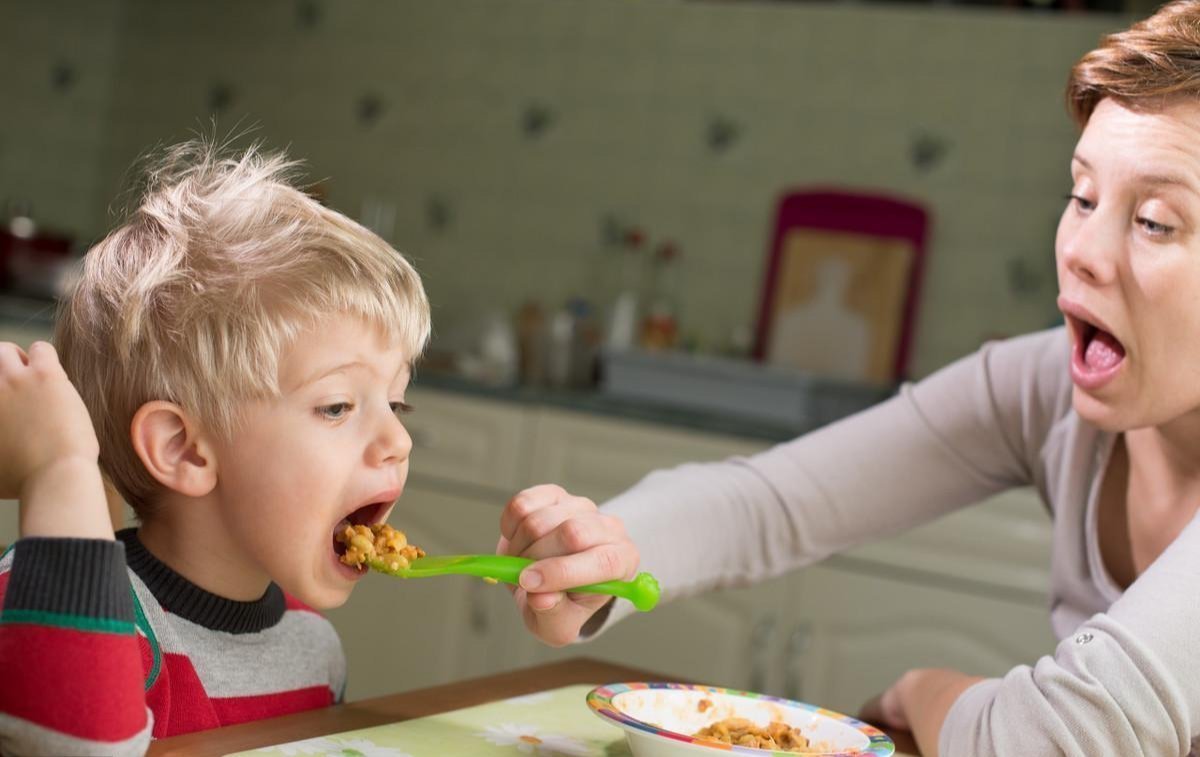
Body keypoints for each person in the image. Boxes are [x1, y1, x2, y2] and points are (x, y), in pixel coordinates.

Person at [498, 2, 1200, 754]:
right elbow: (771, 504)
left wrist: (923, 691)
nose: (1082, 251)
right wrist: (603, 555)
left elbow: (1046, 741)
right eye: (1082, 196)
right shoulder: (1039, 389)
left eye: (1155, 221)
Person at [0, 140, 527, 755]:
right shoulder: (52, 600)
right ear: (185, 450)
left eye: (396, 403)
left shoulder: (312, 650)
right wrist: (58, 469)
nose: (398, 440)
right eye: (337, 406)